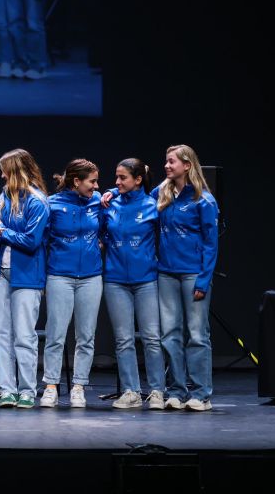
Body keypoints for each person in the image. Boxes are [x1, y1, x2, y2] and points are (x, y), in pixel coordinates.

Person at [153, 144, 218, 411]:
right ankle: (177, 390)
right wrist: (111, 193)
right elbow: (135, 202)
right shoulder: (162, 193)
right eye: (166, 162)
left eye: (171, 162)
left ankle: (201, 393)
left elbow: (210, 244)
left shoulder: (203, 200)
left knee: (197, 334)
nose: (167, 166)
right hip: (166, 273)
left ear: (187, 165)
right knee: (170, 334)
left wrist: (203, 280)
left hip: (193, 274)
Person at [0, 149, 50, 409]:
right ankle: (7, 390)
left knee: (24, 335)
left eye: (5, 170)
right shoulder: (3, 197)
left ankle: (26, 390)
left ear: (16, 171)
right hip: (1, 272)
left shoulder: (38, 201)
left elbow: (32, 241)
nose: (1, 175)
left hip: (27, 276)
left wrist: (3, 232)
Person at [38, 158, 103, 409]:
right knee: (56, 334)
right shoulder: (52, 205)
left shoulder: (98, 202)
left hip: (91, 277)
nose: (96, 186)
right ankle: (51, 386)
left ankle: (78, 386)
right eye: (92, 181)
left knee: (86, 335)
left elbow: (107, 230)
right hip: (59, 276)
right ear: (76, 181)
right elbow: (42, 242)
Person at [101, 158, 164, 410]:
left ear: (138, 179)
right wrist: (114, 192)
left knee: (151, 338)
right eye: (116, 178)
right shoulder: (109, 204)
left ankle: (158, 391)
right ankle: (131, 392)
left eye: (122, 178)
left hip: (146, 279)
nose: (116, 182)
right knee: (123, 339)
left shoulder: (153, 205)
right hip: (115, 280)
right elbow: (102, 233)